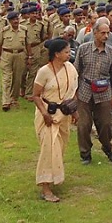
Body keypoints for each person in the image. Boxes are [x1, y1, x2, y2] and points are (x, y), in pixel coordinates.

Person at [32, 39, 78, 203]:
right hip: (48, 116)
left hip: (63, 114)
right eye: (66, 51)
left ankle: (53, 177)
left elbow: (73, 92)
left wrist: (74, 111)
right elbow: (36, 95)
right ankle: (45, 188)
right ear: (57, 54)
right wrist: (44, 113)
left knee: (59, 148)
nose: (69, 54)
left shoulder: (70, 68)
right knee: (48, 149)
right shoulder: (44, 71)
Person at [74, 20, 112, 164]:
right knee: (83, 125)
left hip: (104, 92)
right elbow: (76, 71)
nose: (106, 36)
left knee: (105, 124)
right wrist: (74, 92)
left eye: (108, 33)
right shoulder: (84, 49)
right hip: (85, 91)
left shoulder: (111, 51)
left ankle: (108, 148)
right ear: (95, 33)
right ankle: (85, 154)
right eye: (103, 33)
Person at [0, 11, 28, 111]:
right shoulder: (4, 31)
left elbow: (28, 44)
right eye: (13, 19)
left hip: (20, 55)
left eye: (17, 19)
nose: (16, 21)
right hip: (7, 55)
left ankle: (14, 98)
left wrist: (29, 57)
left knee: (17, 78)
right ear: (9, 21)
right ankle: (5, 101)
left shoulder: (24, 30)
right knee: (6, 78)